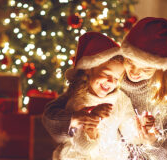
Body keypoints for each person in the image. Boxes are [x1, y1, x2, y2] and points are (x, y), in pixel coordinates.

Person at [48, 32, 139, 160]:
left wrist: (143, 127)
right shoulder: (78, 102)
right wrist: (92, 123)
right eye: (107, 74)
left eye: (116, 78)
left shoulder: (121, 99)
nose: (111, 82)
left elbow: (132, 135)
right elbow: (83, 148)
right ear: (89, 69)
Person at [119, 17, 167, 160]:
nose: (134, 72)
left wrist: (154, 141)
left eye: (146, 68)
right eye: (130, 62)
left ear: (161, 68)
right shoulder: (109, 80)